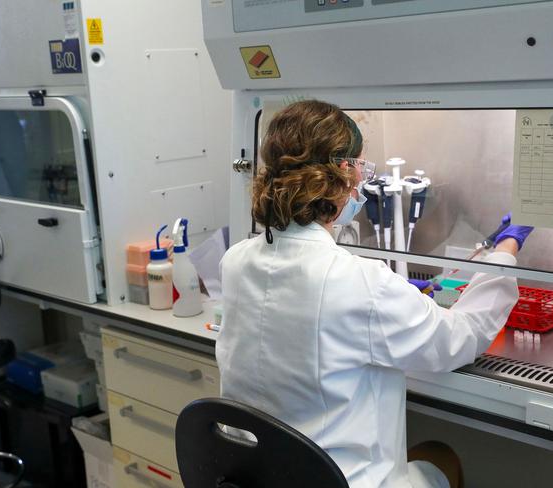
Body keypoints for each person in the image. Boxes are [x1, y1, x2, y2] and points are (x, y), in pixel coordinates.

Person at [216, 100, 533, 488]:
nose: (364, 181)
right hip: (345, 482)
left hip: (263, 480)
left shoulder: (236, 262)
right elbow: (457, 339)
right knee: (441, 457)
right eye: (362, 167)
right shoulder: (357, 282)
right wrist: (505, 253)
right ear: (343, 174)